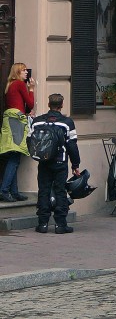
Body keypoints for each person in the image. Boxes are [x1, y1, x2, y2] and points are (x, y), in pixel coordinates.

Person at [30, 93, 80, 234]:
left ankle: (43, 224)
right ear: (62, 105)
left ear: (48, 104)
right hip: (60, 162)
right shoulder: (67, 122)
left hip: (44, 161)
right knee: (60, 191)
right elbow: (72, 146)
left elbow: (30, 140)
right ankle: (60, 225)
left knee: (43, 191)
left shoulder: (38, 122)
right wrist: (75, 165)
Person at [1, 62, 35, 202]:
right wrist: (31, 89)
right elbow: (30, 104)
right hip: (16, 120)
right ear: (17, 72)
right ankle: (4, 190)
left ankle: (14, 192)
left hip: (9, 119)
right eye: (24, 70)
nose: (26, 72)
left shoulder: (10, 85)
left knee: (13, 156)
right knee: (15, 156)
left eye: (27, 70)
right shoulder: (20, 84)